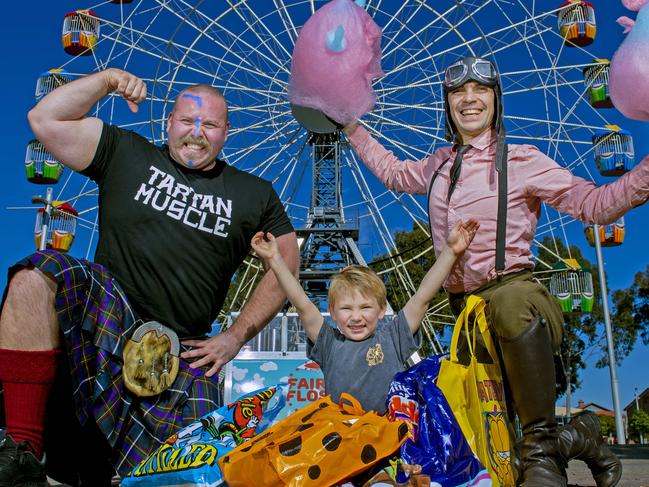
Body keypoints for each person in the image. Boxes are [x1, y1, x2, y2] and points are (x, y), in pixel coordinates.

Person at [342, 56, 643, 486]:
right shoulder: (438, 166)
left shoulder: (523, 159)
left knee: (511, 306)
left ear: (495, 100)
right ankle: (581, 435)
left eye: (480, 91)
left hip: (517, 293)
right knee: (485, 437)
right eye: (457, 93)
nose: (468, 99)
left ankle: (541, 453)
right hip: (465, 312)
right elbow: (392, 172)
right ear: (447, 105)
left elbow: (592, 205)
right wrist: (351, 125)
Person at [0, 68, 299, 485]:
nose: (197, 133)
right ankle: (21, 452)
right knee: (35, 278)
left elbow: (288, 259)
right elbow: (45, 120)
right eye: (187, 121)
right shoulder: (125, 152)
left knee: (188, 474)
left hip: (184, 348)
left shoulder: (254, 193)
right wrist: (105, 81)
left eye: (210, 124)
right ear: (168, 122)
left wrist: (235, 336)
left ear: (227, 132)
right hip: (107, 314)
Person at [251, 219, 479, 414]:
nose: (356, 317)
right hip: (343, 438)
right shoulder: (329, 344)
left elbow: (422, 298)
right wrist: (275, 260)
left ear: (382, 310)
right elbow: (301, 303)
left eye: (365, 307)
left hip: (388, 435)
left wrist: (450, 252)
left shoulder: (392, 338)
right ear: (332, 312)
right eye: (346, 308)